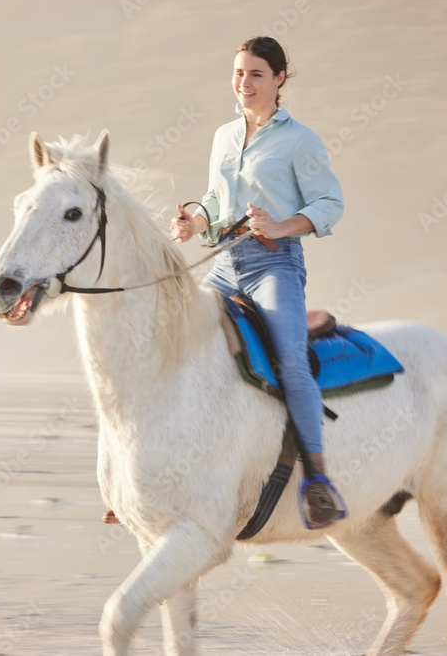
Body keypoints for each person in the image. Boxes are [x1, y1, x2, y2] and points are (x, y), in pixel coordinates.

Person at [170, 36, 345, 529]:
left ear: (279, 79)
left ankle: (318, 481)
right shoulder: (224, 135)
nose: (243, 83)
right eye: (239, 73)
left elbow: (330, 204)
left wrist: (281, 226)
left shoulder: (300, 140)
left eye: (256, 74)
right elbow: (214, 199)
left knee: (290, 360)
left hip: (275, 264)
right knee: (178, 342)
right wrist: (194, 223)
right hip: (226, 262)